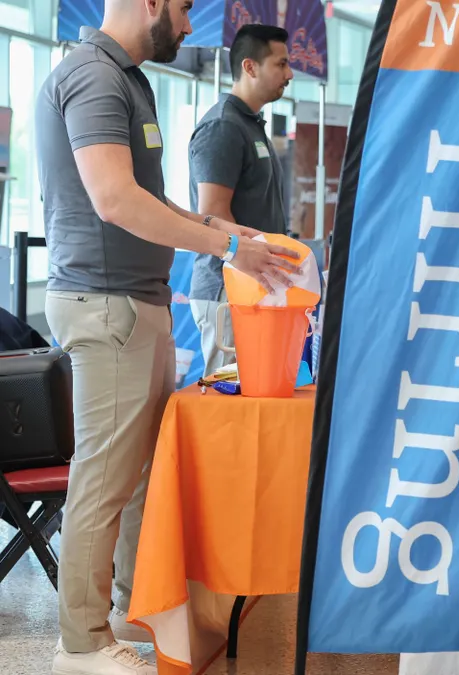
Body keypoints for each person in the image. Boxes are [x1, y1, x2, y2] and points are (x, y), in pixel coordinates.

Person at [35, 2, 296, 673]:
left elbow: (158, 200)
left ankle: (124, 610)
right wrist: (226, 245)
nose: (188, 26)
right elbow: (114, 199)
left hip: (139, 300)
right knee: (104, 478)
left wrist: (234, 241)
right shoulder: (93, 75)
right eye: (182, 9)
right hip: (106, 303)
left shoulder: (129, 78)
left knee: (140, 477)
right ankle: (81, 642)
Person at [189, 23, 293, 376]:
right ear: (250, 67)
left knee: (256, 397)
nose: (289, 73)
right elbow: (213, 213)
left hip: (254, 285)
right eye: (280, 64)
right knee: (229, 403)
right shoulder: (223, 127)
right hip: (228, 289)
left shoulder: (250, 125)